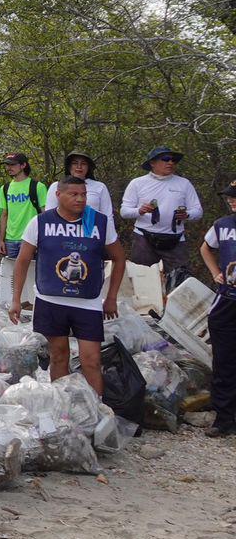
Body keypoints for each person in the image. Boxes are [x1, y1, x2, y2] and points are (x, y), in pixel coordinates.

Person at [11, 177, 126, 395]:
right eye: (73, 194)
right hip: (50, 299)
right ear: (58, 195)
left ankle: (97, 410)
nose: (80, 199)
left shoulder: (98, 222)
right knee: (59, 355)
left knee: (91, 360)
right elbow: (22, 261)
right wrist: (16, 299)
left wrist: (111, 297)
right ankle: (62, 407)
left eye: (83, 194)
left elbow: (119, 258)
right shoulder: (41, 222)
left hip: (88, 301)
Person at [121, 146, 203, 291]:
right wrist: (139, 211)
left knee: (181, 280)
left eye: (173, 160)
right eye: (165, 159)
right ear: (152, 163)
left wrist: (187, 215)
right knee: (142, 280)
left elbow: (198, 211)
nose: (170, 162)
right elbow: (124, 211)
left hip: (176, 239)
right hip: (143, 238)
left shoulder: (184, 183)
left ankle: (176, 312)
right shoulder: (137, 183)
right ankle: (143, 311)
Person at [195, 185, 236, 438]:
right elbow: (205, 248)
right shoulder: (223, 225)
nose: (232, 201)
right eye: (231, 197)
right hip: (227, 300)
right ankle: (224, 418)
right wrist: (215, 273)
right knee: (223, 361)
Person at [45, 150, 114, 217]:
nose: (79, 167)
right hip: (62, 228)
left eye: (83, 164)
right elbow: (49, 215)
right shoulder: (56, 186)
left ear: (88, 167)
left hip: (93, 228)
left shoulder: (100, 187)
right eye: (75, 163)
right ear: (69, 166)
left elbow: (108, 216)